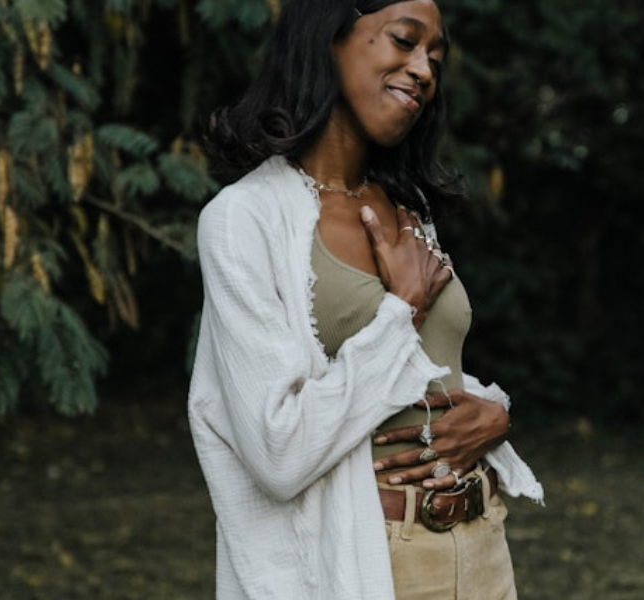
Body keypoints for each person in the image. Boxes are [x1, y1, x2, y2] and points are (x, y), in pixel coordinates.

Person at [187, 1, 543, 598]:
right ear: (329, 39)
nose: (424, 69)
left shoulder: (407, 206)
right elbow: (278, 452)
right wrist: (400, 310)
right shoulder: (241, 220)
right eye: (404, 41)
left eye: (435, 56)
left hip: (481, 547)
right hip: (370, 561)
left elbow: (424, 375)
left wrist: (494, 416)